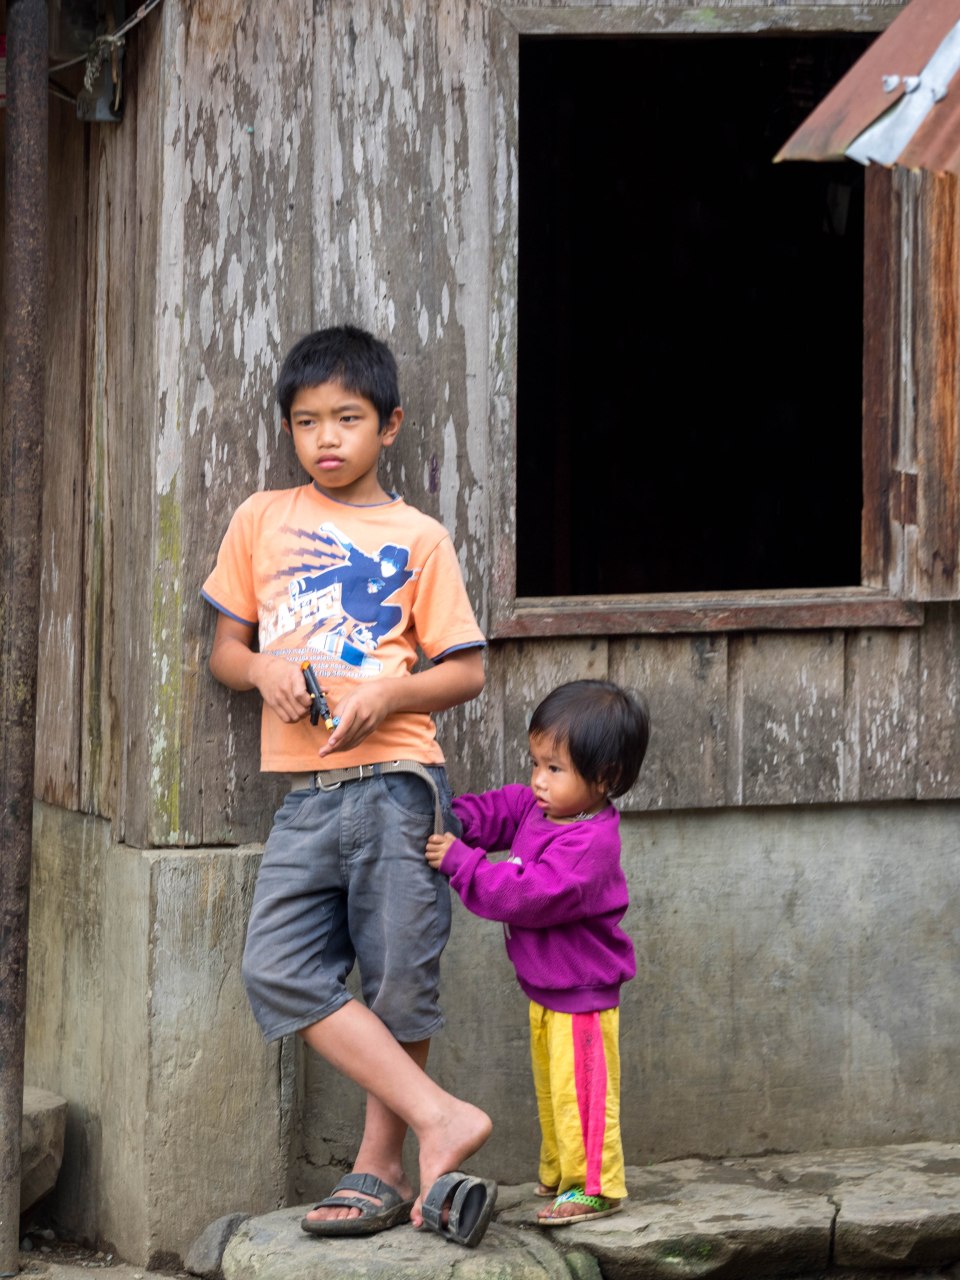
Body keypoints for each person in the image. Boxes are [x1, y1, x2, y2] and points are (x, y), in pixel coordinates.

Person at [202, 325, 497, 1248]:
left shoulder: (419, 537)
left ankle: (381, 1166)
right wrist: (263, 671)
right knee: (279, 967)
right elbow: (225, 651)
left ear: (389, 425)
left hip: (399, 781)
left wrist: (385, 694)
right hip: (306, 796)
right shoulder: (262, 518)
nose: (325, 438)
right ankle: (440, 1115)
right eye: (306, 422)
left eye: (347, 419)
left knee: (400, 976)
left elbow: (466, 670)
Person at [425, 679, 650, 1226]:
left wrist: (462, 862)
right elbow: (502, 808)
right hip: (548, 985)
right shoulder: (543, 808)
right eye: (536, 763)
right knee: (555, 1091)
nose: (538, 780)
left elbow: (527, 894)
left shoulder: (589, 845)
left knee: (583, 1092)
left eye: (555, 768)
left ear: (606, 778)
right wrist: (456, 820)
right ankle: (560, 1172)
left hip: (582, 993)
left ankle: (595, 1186)